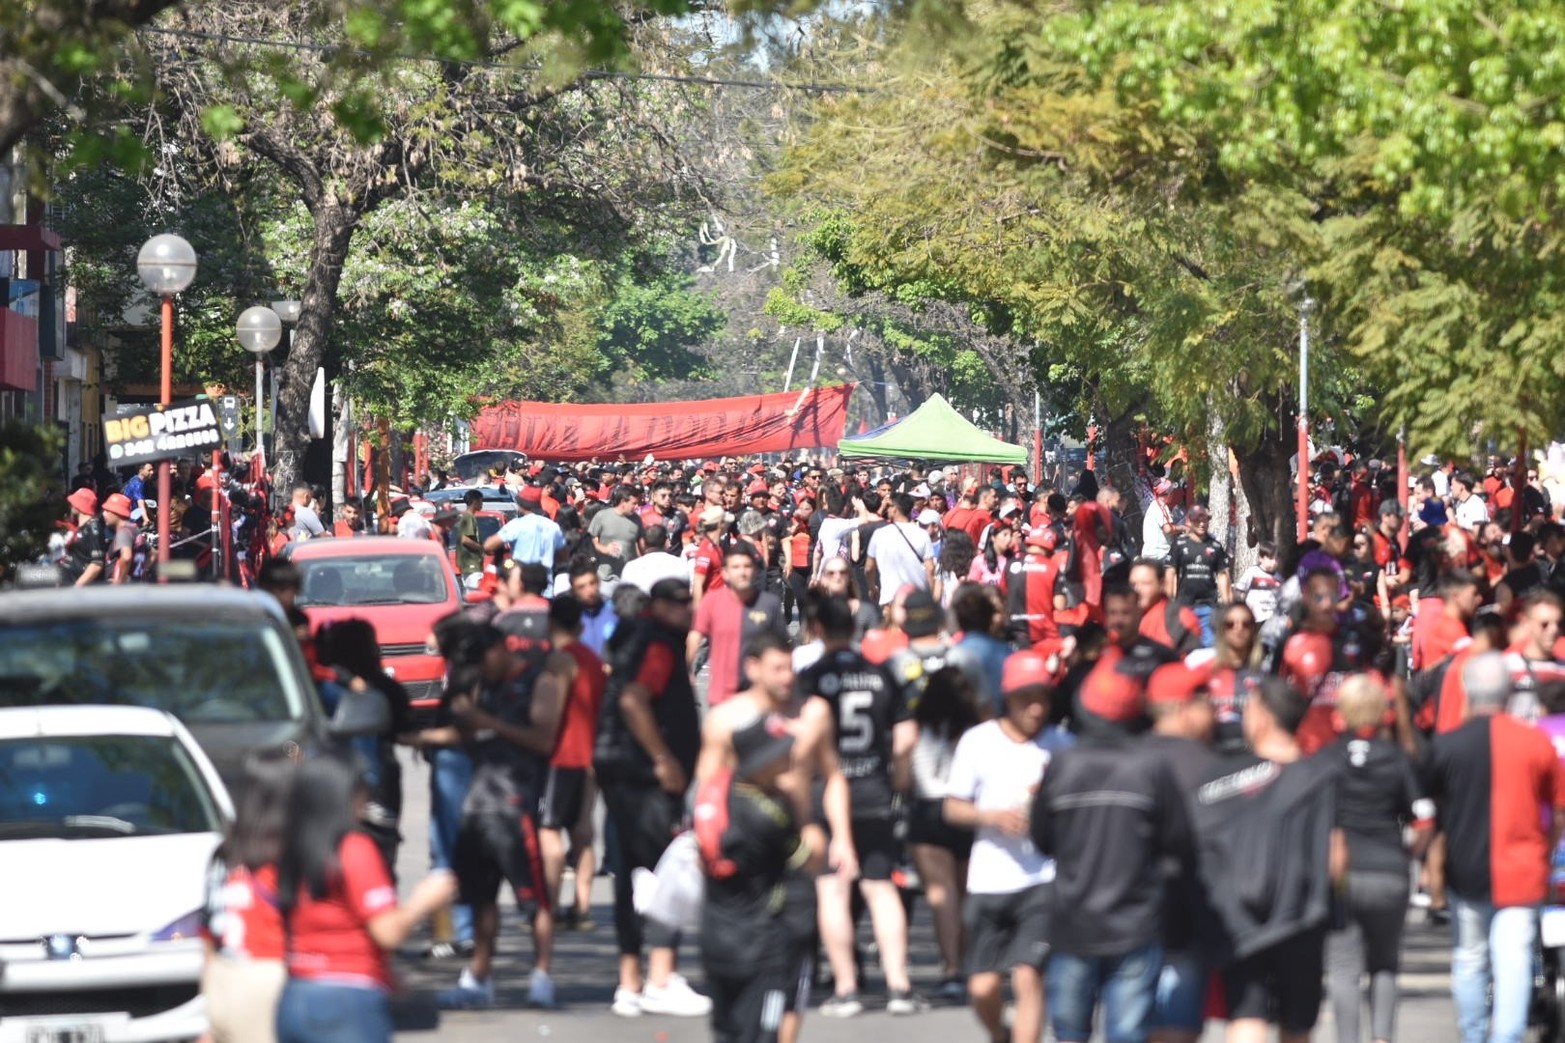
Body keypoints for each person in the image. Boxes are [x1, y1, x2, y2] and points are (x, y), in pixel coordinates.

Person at [1033, 646, 1192, 1043]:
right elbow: (1177, 842)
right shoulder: (1151, 767)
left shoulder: (1062, 765)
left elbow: (1042, 840)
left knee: (1070, 1033)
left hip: (1073, 923)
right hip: (1136, 924)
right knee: (1127, 1035)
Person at [1424, 651, 1565, 1043]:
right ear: (1509, 692)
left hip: (1465, 869)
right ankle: (1506, 1037)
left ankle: (1474, 1036)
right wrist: (1545, 850)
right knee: (1513, 958)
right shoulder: (1536, 743)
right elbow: (1558, 811)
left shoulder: (1446, 746)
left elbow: (1430, 813)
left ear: (1467, 691)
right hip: (1523, 869)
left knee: (1470, 959)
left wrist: (1432, 869)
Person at [797, 595, 924, 1017]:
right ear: (854, 630)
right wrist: (898, 776)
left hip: (825, 793)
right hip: (873, 790)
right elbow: (906, 735)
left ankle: (847, 988)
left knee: (832, 888)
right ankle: (899, 986)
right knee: (881, 886)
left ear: (817, 629)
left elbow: (801, 740)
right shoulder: (879, 674)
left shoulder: (812, 678)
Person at [1192, 677, 1338, 1043]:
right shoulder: (1321, 777)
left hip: (1238, 919)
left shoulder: (1220, 778)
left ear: (1262, 719)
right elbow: (1336, 856)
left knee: (1247, 1014)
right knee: (1298, 1022)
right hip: (1301, 917)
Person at [433, 619, 567, 1010]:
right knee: (481, 900)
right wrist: (419, 736)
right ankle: (479, 977)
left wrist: (486, 722)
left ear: (501, 648)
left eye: (483, 658)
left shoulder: (540, 681)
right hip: (477, 806)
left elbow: (543, 740)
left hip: (515, 808)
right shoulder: (483, 684)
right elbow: (468, 736)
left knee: (535, 902)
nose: (480, 667)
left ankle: (541, 976)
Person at [275, 754, 455, 1043]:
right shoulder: (353, 848)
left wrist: (388, 975)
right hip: (347, 999)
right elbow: (387, 932)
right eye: (362, 788)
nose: (367, 797)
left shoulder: (292, 849)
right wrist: (422, 901)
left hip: (296, 995)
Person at [593, 578, 710, 1018]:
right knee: (668, 875)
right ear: (657, 605)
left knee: (631, 877)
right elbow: (633, 701)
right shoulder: (657, 643)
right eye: (677, 603)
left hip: (623, 775)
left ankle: (630, 983)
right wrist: (663, 759)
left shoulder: (631, 638)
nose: (687, 611)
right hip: (646, 781)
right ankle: (661, 979)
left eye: (688, 602)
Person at [944, 650, 1073, 1043]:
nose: (1036, 708)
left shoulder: (1063, 746)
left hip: (1043, 878)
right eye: (1026, 698)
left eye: (1043, 698)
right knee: (982, 987)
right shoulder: (978, 741)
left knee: (1029, 976)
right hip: (989, 879)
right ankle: (1000, 1034)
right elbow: (952, 807)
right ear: (1008, 698)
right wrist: (993, 817)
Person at [699, 713, 823, 1043]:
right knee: (761, 1033)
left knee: (728, 1032)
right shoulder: (767, 815)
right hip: (760, 945)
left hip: (718, 936)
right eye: (781, 754)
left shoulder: (718, 798)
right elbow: (811, 857)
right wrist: (805, 816)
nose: (788, 759)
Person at [1324, 676, 1435, 1043]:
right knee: (1385, 963)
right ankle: (1383, 1038)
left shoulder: (1328, 758)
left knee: (1343, 967)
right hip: (1389, 871)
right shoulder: (1397, 758)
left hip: (1343, 874)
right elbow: (1425, 818)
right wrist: (1410, 855)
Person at [1142, 662, 1217, 1043]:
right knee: (1178, 1026)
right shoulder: (1208, 766)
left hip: (1125, 914)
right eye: (1207, 702)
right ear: (1184, 707)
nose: (1215, 713)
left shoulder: (1127, 757)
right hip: (1188, 914)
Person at [202, 750, 295, 1043]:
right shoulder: (283, 858)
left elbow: (208, 938)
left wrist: (208, 1011)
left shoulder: (223, 856)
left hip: (222, 977)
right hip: (269, 976)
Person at [907, 665, 985, 999]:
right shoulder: (977, 731)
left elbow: (902, 779)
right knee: (966, 894)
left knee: (942, 896)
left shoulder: (916, 728)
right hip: (967, 809)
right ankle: (966, 962)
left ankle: (951, 968)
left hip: (928, 810)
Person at [539, 594, 606, 932]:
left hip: (563, 756)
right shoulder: (592, 659)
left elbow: (552, 714)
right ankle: (581, 907)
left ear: (550, 624)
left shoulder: (560, 660)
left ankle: (548, 908)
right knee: (582, 833)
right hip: (590, 754)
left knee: (549, 832)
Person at [689, 545, 787, 708]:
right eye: (736, 567)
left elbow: (782, 645)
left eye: (747, 566)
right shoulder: (711, 602)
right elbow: (695, 636)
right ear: (725, 573)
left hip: (759, 696)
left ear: (755, 571)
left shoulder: (769, 604)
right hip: (722, 695)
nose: (742, 572)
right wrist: (687, 669)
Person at [1165, 505, 1229, 646]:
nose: (1201, 524)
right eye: (1197, 520)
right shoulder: (1180, 544)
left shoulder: (1215, 546)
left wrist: (1227, 604)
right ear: (1190, 521)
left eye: (1205, 520)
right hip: (1185, 605)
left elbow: (1223, 574)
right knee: (1184, 645)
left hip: (1208, 606)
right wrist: (1169, 601)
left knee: (1209, 646)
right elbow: (1171, 573)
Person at [485, 485, 568, 588]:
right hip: (545, 583)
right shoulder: (553, 526)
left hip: (521, 583)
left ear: (521, 505)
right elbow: (563, 556)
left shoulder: (516, 525)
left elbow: (488, 545)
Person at [867, 493, 937, 606]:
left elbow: (869, 568)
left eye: (889, 506)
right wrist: (930, 597)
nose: (887, 509)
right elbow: (930, 568)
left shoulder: (880, 534)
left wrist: (872, 588)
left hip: (890, 598)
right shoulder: (922, 534)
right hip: (917, 599)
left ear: (895, 509)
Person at [1007, 525, 1066, 648]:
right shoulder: (1052, 567)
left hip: (1015, 632)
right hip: (1044, 634)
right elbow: (1060, 605)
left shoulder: (1010, 565)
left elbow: (1002, 596)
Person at [1133, 558, 1203, 656]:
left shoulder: (1179, 617)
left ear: (1161, 584)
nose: (1137, 590)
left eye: (1145, 583)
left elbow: (1194, 660)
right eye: (1133, 584)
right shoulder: (1122, 617)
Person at [590, 485, 644, 579]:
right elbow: (591, 540)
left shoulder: (637, 519)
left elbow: (641, 545)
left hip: (628, 576)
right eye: (634, 503)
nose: (636, 507)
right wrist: (604, 549)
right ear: (623, 502)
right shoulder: (602, 516)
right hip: (605, 576)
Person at [622, 523, 688, 595]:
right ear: (667, 543)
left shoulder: (631, 567)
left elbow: (624, 595)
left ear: (643, 543)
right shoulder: (680, 564)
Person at [63, 486, 107, 585]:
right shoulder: (81, 527)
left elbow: (97, 564)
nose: (71, 505)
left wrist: (76, 587)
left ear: (80, 505)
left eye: (74, 502)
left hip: (83, 591)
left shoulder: (93, 528)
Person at [1233, 542, 1282, 626]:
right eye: (1270, 558)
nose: (1274, 562)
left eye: (1276, 559)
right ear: (1261, 558)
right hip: (1255, 619)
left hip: (1273, 620)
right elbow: (1238, 591)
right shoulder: (1252, 573)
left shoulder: (1279, 578)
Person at [1141, 479, 1181, 566]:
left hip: (1153, 555)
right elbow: (1168, 529)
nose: (1173, 495)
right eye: (1172, 492)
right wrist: (1183, 528)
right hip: (1158, 555)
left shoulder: (1156, 505)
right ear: (1168, 494)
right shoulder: (1160, 507)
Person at [101, 491, 138, 583]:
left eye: (107, 510)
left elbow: (126, 557)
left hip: (123, 589)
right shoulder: (134, 529)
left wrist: (118, 582)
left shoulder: (123, 532)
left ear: (116, 512)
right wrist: (137, 572)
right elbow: (153, 554)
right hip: (135, 585)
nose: (104, 514)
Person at [455, 490, 487, 582]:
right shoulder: (469, 517)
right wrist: (482, 548)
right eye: (481, 501)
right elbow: (465, 540)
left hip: (469, 566)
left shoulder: (467, 517)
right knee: (476, 589)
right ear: (475, 501)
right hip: (471, 565)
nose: (482, 504)